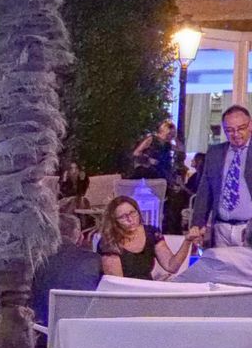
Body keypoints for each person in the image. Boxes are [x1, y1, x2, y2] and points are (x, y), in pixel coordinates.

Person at [188, 105, 252, 254]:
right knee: (222, 275)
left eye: (241, 128)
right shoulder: (215, 153)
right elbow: (205, 192)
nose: (236, 134)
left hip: (248, 228)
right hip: (221, 229)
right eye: (229, 130)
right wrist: (197, 223)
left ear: (250, 125)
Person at [31, 213, 102, 331]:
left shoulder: (33, 260)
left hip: (39, 333)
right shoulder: (94, 261)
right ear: (80, 237)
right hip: (82, 332)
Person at [98, 194, 189, 281]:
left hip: (146, 288)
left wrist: (188, 241)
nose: (130, 219)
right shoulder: (109, 242)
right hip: (124, 292)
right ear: (114, 222)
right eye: (123, 217)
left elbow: (171, 266)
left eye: (132, 213)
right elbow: (116, 284)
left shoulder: (151, 233)